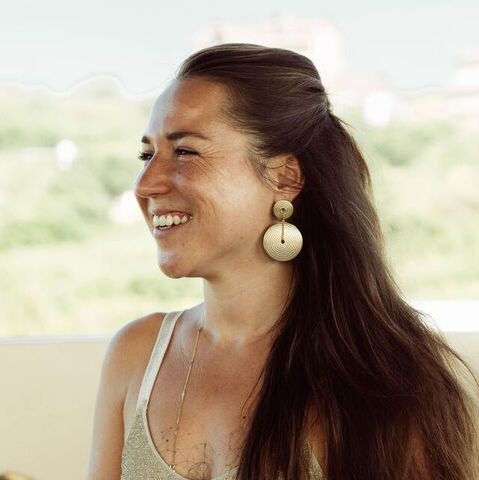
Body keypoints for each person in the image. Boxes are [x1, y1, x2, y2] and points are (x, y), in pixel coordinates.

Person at [86, 43, 479, 480]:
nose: (145, 184)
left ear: (285, 177)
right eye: (147, 155)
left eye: (185, 152)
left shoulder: (385, 377)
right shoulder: (136, 357)